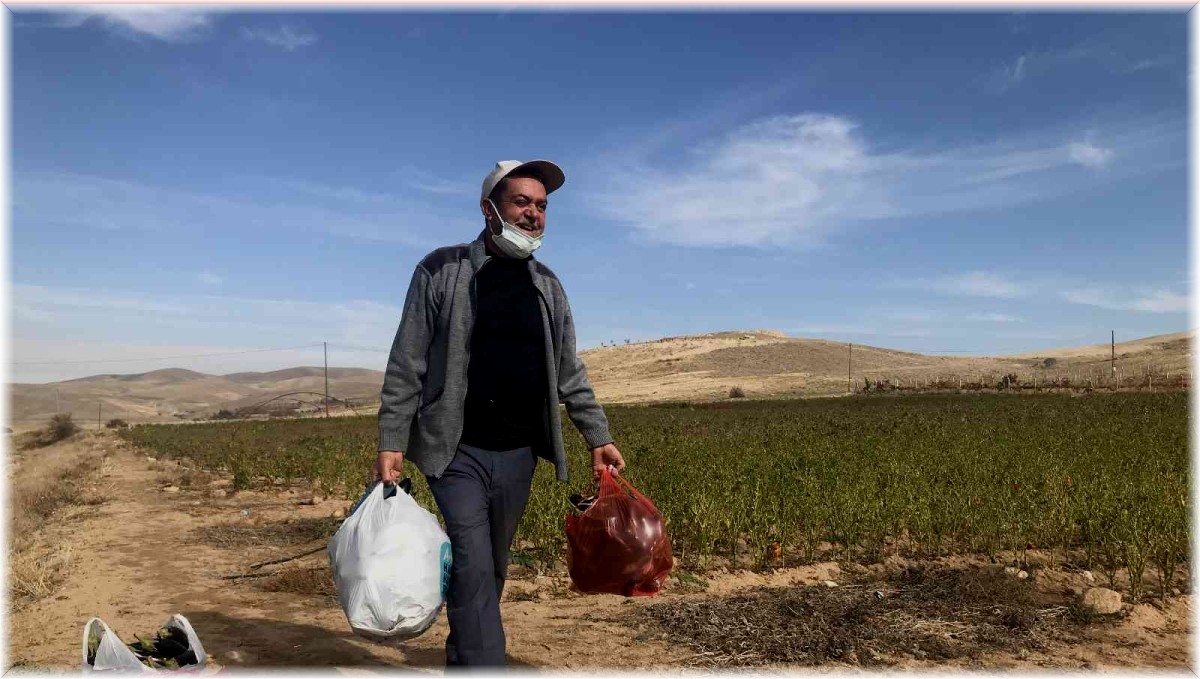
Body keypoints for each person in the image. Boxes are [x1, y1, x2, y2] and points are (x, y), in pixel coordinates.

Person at [372, 159, 626, 668]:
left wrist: (596, 435)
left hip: (518, 453)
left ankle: (463, 659)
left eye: (541, 205)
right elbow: (407, 361)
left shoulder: (548, 287)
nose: (533, 214)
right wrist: (391, 438)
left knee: (491, 564)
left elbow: (568, 371)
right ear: (490, 209)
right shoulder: (441, 269)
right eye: (521, 202)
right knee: (471, 556)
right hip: (455, 449)